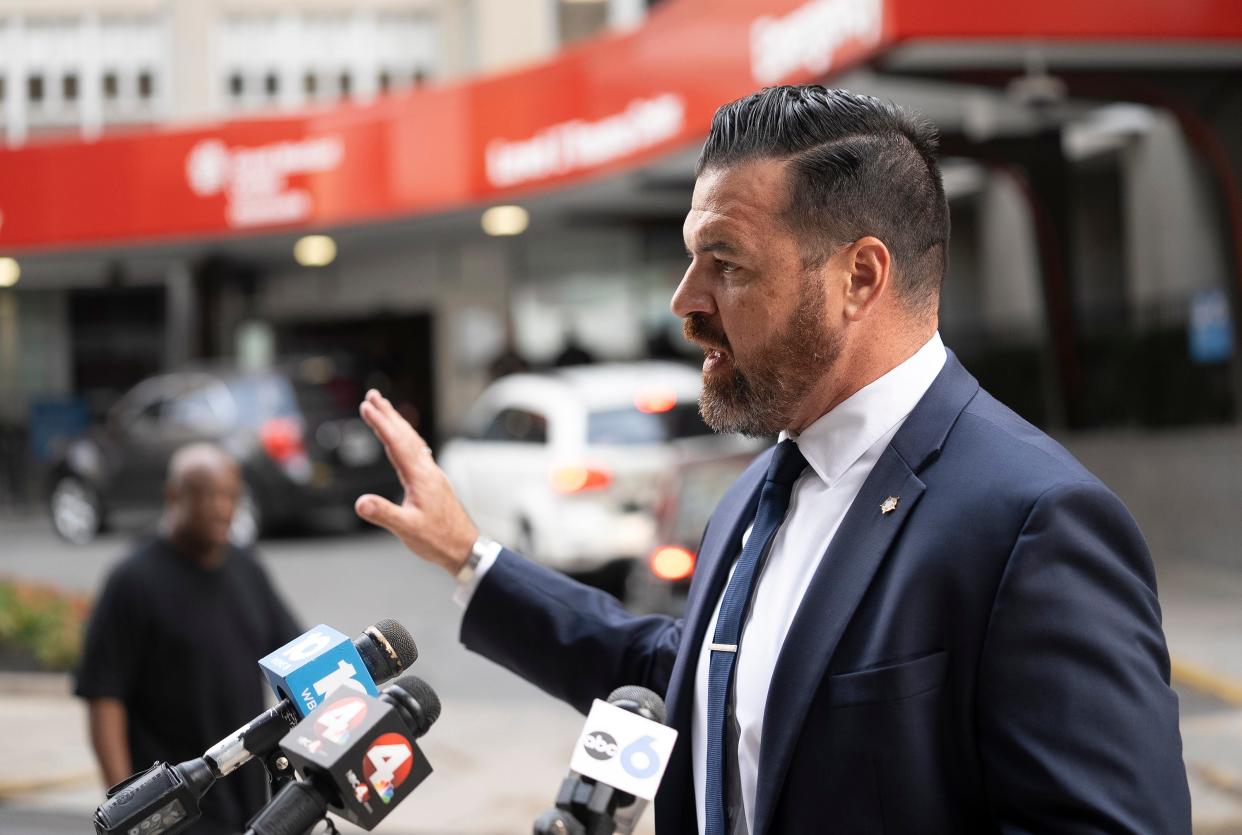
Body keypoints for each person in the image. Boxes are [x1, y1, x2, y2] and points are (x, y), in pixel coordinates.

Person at [353, 86, 1191, 834]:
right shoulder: (758, 488)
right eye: (690, 260)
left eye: (726, 265)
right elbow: (695, 682)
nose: (685, 303)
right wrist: (471, 556)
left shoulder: (1035, 522)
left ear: (859, 277)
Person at [76, 443, 301, 835]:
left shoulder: (247, 570)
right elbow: (103, 698)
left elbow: (296, 656)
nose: (221, 507)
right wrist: (128, 812)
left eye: (230, 496)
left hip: (249, 803)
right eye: (208, 495)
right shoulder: (133, 580)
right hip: (176, 810)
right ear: (174, 496)